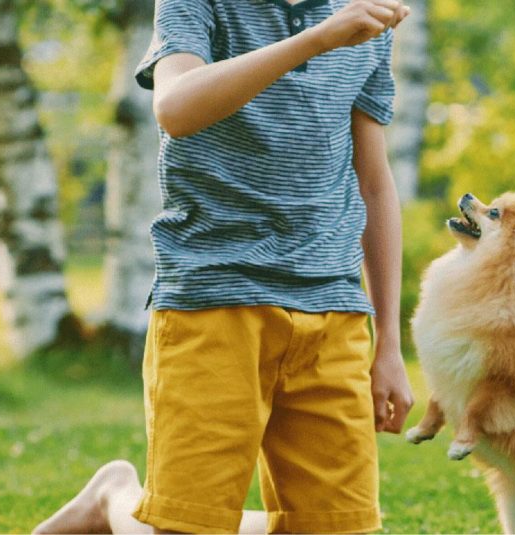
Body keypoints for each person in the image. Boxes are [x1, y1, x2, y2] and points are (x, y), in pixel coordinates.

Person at [35, 0, 414, 532]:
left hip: (332, 312)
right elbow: (176, 107)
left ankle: (113, 499)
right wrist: (316, 40)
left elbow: (374, 181)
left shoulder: (363, 16)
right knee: (188, 523)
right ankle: (115, 499)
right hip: (213, 299)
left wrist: (390, 344)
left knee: (332, 524)